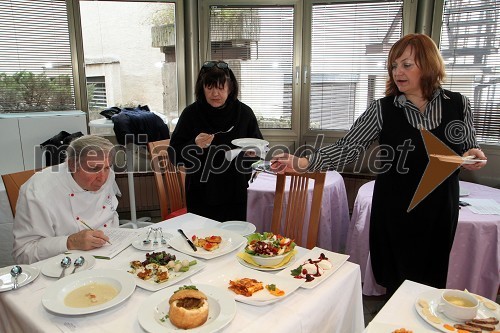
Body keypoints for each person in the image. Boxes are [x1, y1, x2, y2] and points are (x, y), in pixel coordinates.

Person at [271, 34, 487, 295]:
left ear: (429, 64)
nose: (398, 72)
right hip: (394, 210)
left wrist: (474, 156)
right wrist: (303, 162)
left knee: (431, 283)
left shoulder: (459, 104)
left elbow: (467, 150)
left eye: (407, 65)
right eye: (393, 66)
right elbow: (347, 149)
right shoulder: (381, 109)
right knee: (397, 283)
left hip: (440, 209)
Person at [169, 60, 264, 221]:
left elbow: (259, 152)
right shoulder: (191, 114)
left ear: (230, 87)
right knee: (202, 241)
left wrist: (252, 153)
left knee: (236, 241)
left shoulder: (244, 114)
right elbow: (174, 155)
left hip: (236, 193)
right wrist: (194, 145)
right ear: (202, 88)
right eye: (210, 87)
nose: (215, 94)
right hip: (201, 193)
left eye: (220, 88)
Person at [12, 135, 119, 264]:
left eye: (107, 168)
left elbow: (110, 211)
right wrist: (70, 242)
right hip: (63, 262)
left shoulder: (107, 175)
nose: (102, 178)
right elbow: (23, 253)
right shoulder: (38, 192)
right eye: (93, 168)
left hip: (113, 249)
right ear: (72, 165)